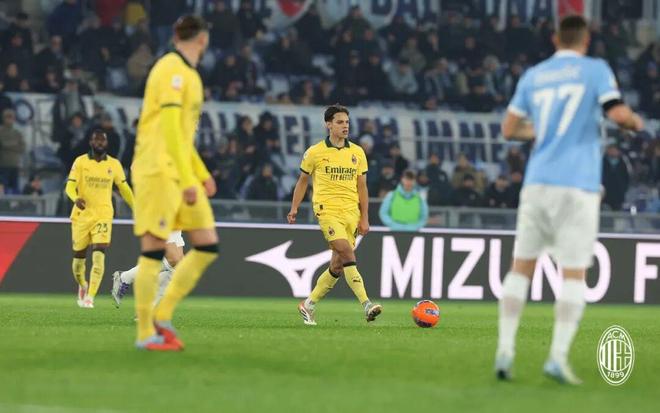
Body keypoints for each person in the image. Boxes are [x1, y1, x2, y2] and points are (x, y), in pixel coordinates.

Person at [494, 15, 644, 385]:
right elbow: (618, 113)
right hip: (577, 185)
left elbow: (509, 129)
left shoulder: (534, 75)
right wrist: (635, 123)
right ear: (586, 41)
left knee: (520, 268)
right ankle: (557, 357)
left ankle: (505, 350)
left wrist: (541, 130)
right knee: (574, 272)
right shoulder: (595, 70)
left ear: (555, 39)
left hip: (537, 183)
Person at [131, 15, 218, 351]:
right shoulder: (170, 69)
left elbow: (182, 137)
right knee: (154, 249)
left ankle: (162, 315)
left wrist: (202, 173)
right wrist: (187, 177)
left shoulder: (191, 76)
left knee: (207, 244)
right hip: (156, 170)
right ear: (203, 39)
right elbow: (169, 129)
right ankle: (145, 334)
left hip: (179, 170)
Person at [288, 104, 382, 325]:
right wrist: (294, 208)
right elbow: (302, 181)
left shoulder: (357, 152)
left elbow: (362, 187)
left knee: (338, 266)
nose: (345, 126)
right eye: (340, 122)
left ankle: (308, 304)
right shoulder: (315, 152)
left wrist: (365, 217)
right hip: (327, 211)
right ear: (328, 125)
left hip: (351, 213)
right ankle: (366, 304)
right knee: (347, 253)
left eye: (347, 122)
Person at [64, 130, 134, 309]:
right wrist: (75, 198)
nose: (100, 143)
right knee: (79, 260)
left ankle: (90, 297)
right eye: (97, 140)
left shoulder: (114, 164)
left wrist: (136, 208)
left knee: (99, 254)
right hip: (82, 215)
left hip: (103, 214)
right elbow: (70, 187)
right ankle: (83, 284)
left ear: (106, 143)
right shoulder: (80, 162)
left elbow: (124, 189)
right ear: (91, 142)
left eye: (103, 140)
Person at [110, 231, 185, 308]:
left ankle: (150, 307)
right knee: (173, 260)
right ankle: (125, 277)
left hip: (176, 226)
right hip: (164, 225)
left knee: (178, 263)